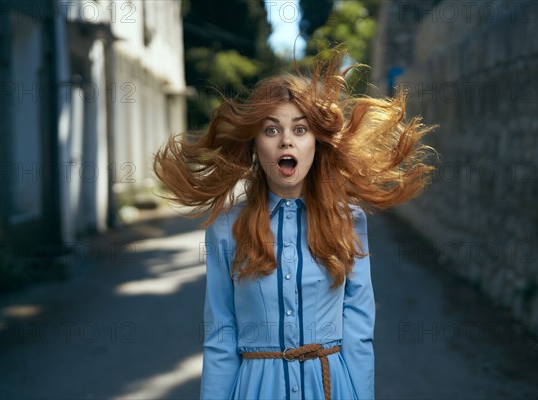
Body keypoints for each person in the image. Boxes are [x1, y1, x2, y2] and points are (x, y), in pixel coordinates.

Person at [153, 50, 436, 400]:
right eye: (271, 129)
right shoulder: (226, 228)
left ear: (316, 143)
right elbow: (221, 338)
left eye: (300, 129)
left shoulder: (348, 222)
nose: (286, 140)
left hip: (331, 389)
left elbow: (360, 333)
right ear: (255, 145)